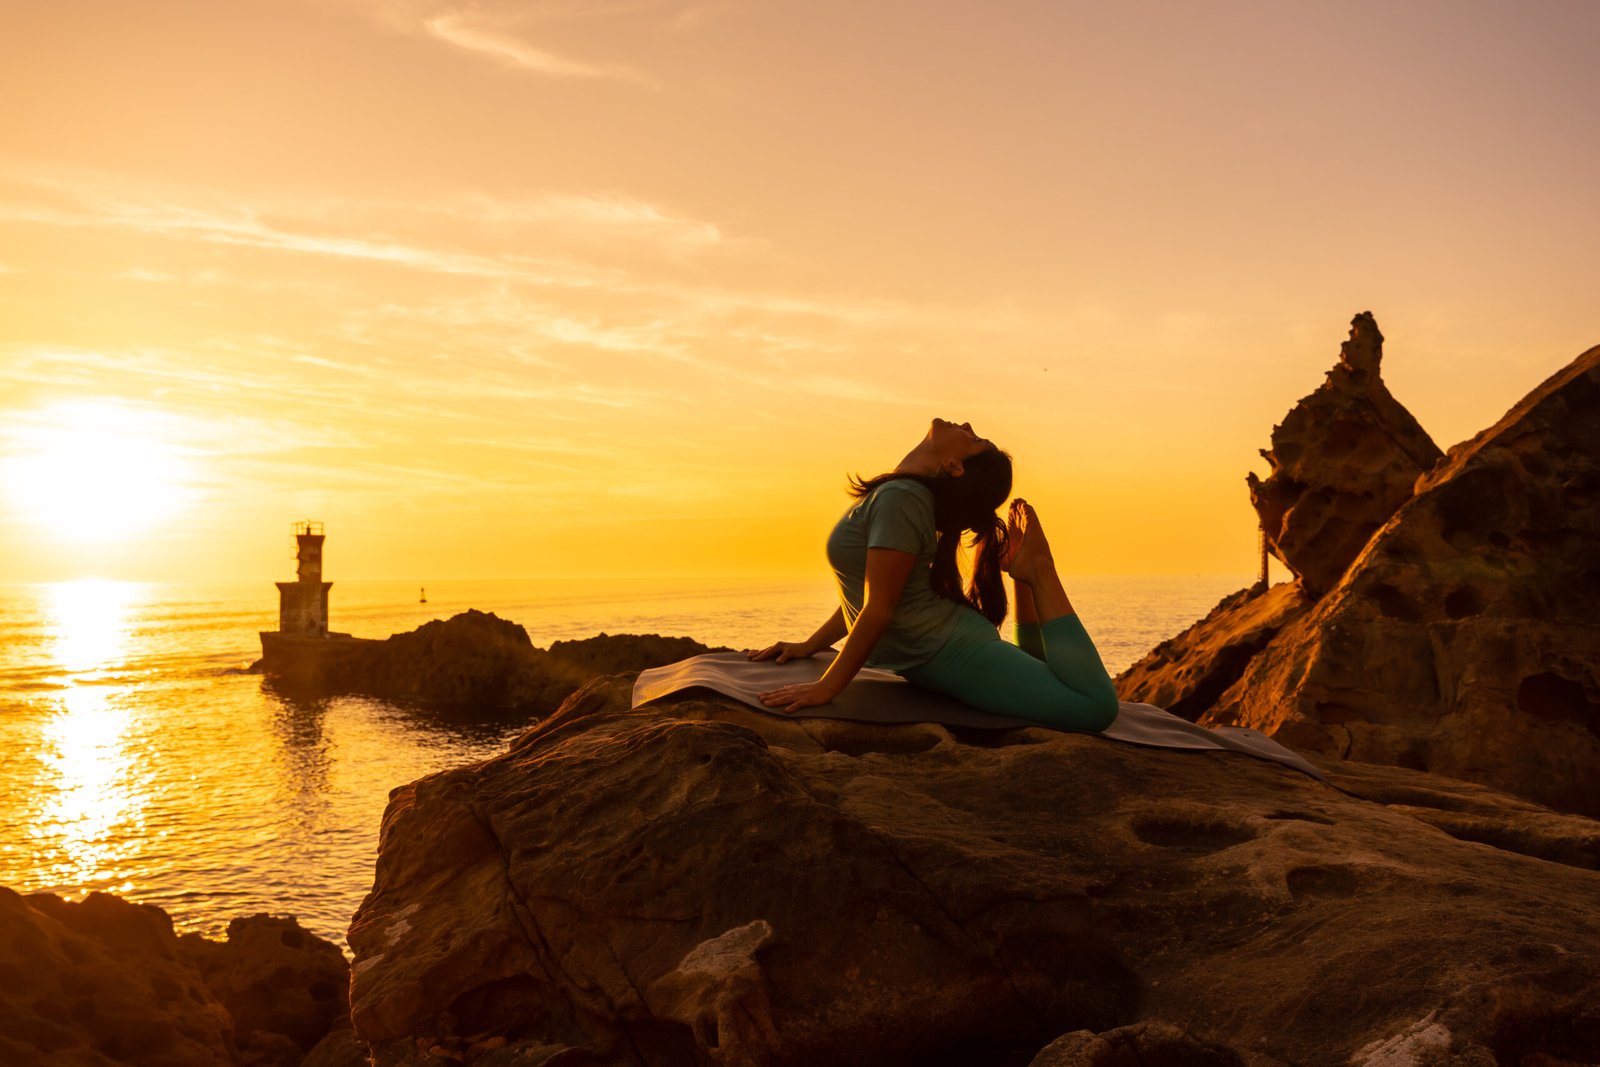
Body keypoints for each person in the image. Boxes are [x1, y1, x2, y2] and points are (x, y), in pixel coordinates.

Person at [748, 417, 1119, 731]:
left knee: (1094, 707)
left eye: (972, 439)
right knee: (1050, 673)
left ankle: (1037, 571)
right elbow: (863, 597)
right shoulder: (900, 496)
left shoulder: (903, 498)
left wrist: (827, 688)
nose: (967, 425)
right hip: (943, 649)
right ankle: (1024, 573)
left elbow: (880, 608)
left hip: (953, 652)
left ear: (955, 466)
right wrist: (809, 646)